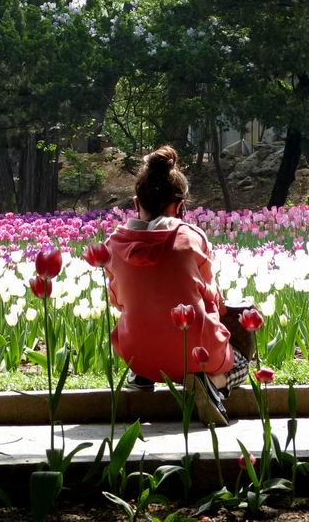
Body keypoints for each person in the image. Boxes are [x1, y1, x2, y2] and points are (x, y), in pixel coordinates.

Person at [103, 145, 249, 425]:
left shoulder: (113, 244)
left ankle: (142, 374)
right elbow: (212, 298)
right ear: (180, 206)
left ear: (136, 203)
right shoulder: (192, 238)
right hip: (198, 354)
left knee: (140, 314)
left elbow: (118, 300)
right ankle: (211, 384)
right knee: (242, 361)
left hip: (137, 351)